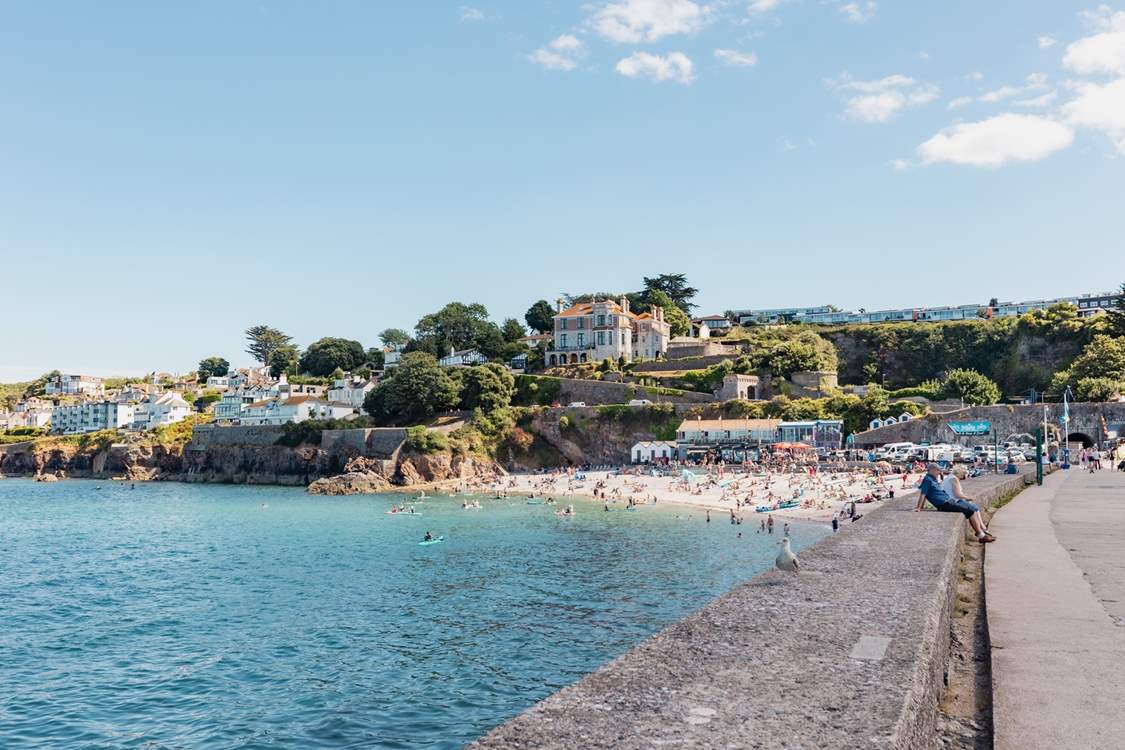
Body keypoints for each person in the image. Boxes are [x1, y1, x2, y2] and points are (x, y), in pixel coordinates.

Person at [915, 463, 995, 543]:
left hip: (948, 501)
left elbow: (926, 494)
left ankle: (982, 533)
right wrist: (919, 507)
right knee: (970, 511)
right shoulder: (927, 480)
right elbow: (923, 494)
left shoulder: (932, 479)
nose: (939, 472)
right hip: (944, 503)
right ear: (932, 470)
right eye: (938, 470)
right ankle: (981, 536)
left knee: (972, 508)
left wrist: (922, 506)